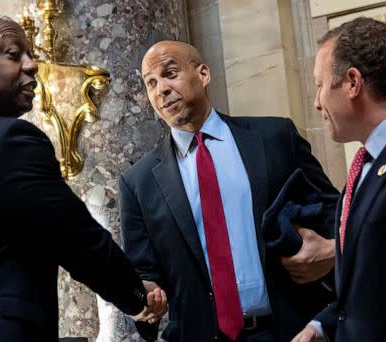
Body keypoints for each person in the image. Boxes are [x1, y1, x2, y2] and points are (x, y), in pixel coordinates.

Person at [0, 14, 166, 342]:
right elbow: (75, 237)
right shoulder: (7, 140)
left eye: (30, 53)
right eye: (13, 54)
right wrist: (138, 298)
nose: (33, 64)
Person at [119, 40, 339, 342]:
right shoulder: (137, 182)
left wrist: (333, 252)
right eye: (151, 83)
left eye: (170, 73)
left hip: (293, 329)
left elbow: (336, 212)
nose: (162, 89)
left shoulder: (275, 138)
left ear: (204, 74)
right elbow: (144, 271)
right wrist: (143, 297)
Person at [292, 17, 386, 342]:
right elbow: (368, 286)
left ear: (352, 82)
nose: (317, 102)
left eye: (319, 85)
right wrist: (322, 325)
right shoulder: (361, 170)